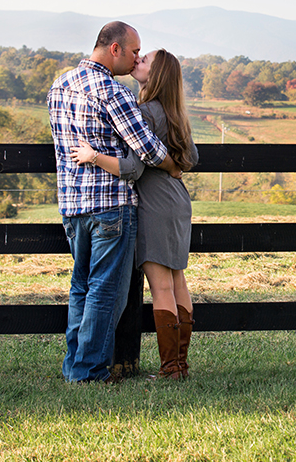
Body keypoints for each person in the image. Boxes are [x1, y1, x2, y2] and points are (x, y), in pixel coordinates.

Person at [47, 21, 181, 384]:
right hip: (110, 204)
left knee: (81, 287)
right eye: (135, 51)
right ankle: (89, 372)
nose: (138, 57)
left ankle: (75, 366)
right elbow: (150, 151)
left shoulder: (60, 84)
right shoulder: (112, 91)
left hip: (73, 204)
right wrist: (175, 165)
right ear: (115, 49)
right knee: (107, 291)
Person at [72, 48, 198, 380]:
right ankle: (180, 364)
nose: (138, 62)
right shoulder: (175, 113)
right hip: (178, 202)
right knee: (177, 281)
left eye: (145, 61)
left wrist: (93, 156)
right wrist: (172, 165)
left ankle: (171, 368)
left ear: (155, 76)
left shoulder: (144, 113)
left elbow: (131, 168)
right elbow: (191, 159)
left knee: (161, 288)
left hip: (155, 205)